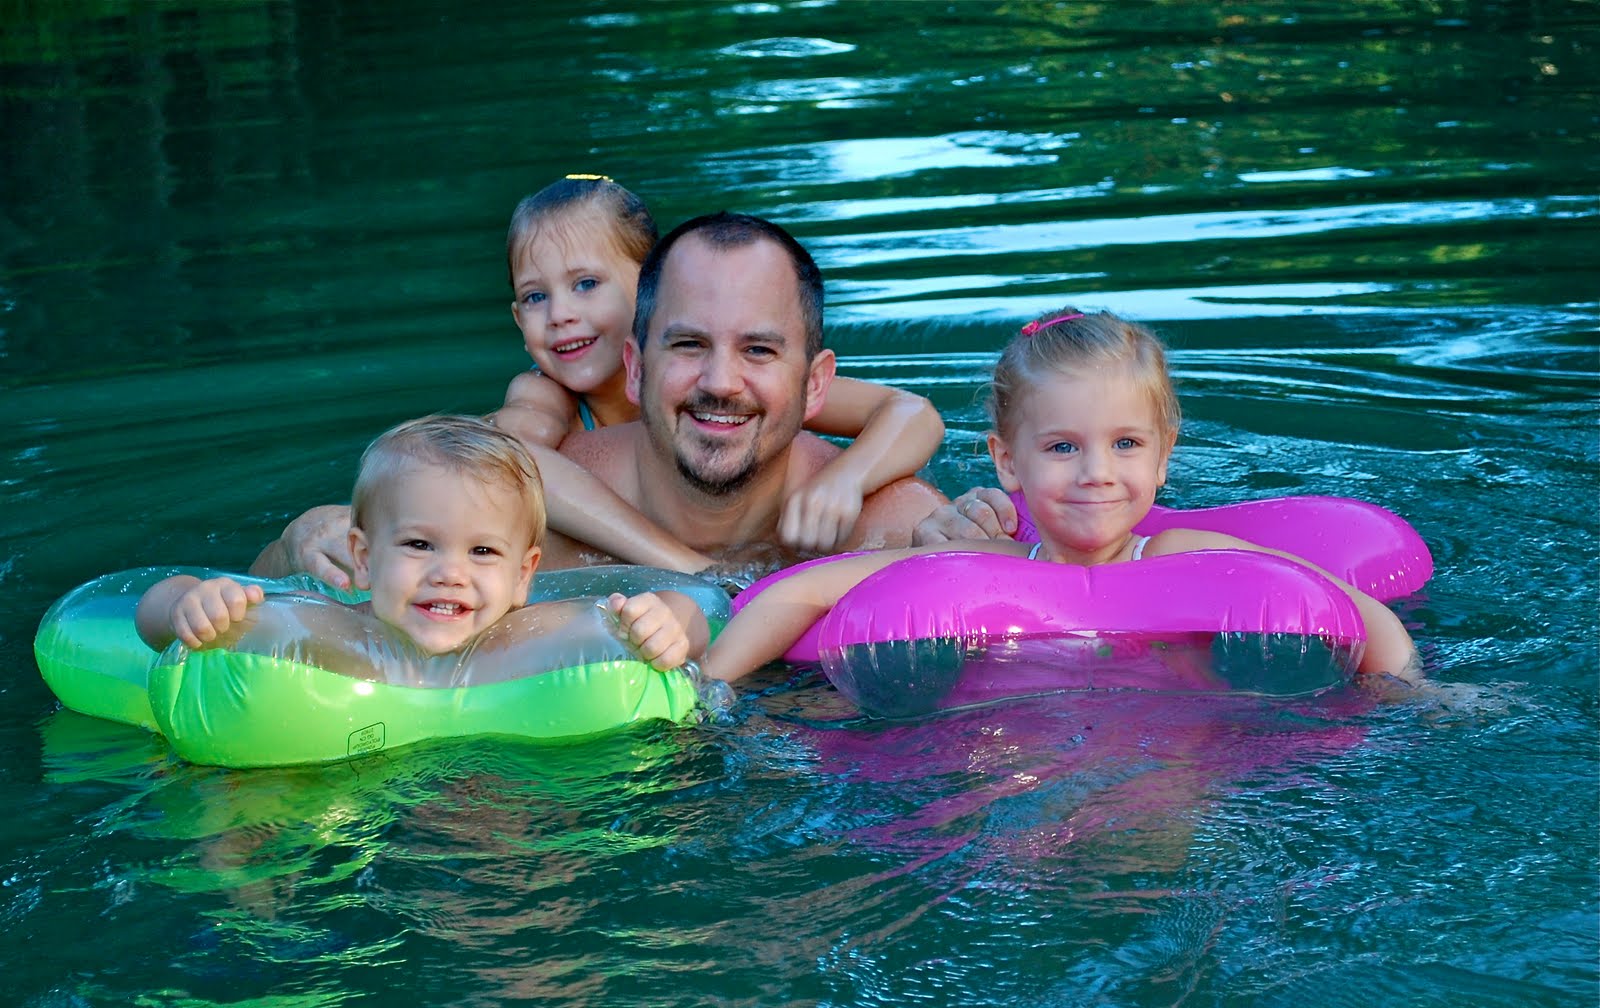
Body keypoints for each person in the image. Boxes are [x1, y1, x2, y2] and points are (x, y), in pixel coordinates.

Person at [702, 308, 1421, 683]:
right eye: (1063, 448)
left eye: (1126, 444)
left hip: (1170, 760)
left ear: (1165, 459)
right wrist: (710, 688)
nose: (1096, 473)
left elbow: (1358, 615)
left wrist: (1417, 695)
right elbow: (794, 593)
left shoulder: (1184, 554)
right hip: (1017, 758)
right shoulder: (985, 561)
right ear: (1006, 462)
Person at [253, 212, 948, 585]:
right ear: (634, 367)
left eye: (759, 350)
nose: (720, 381)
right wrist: (299, 543)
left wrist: (983, 529)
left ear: (816, 383)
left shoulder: (893, 529)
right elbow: (285, 590)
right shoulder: (528, 523)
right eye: (687, 345)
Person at [494, 176, 944, 564]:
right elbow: (505, 464)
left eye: (587, 284)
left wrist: (845, 479)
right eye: (536, 297)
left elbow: (912, 412)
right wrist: (687, 567)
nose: (561, 315)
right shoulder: (544, 397)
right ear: (638, 366)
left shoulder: (784, 396)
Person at [141, 415, 705, 669]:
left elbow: (693, 611)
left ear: (523, 575)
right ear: (364, 558)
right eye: (419, 545)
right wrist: (188, 604)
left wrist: (666, 623)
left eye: (482, 552)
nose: (449, 574)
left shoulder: (539, 634)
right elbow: (151, 613)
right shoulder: (327, 627)